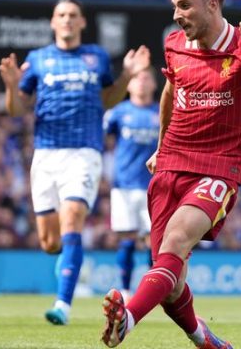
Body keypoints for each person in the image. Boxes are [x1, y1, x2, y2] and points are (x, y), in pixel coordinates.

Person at [101, 0, 241, 348]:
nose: (177, 14)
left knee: (176, 241)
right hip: (170, 165)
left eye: (185, 6)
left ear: (212, 5)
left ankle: (128, 319)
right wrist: (161, 146)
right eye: (174, 6)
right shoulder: (174, 43)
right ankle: (204, 340)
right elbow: (169, 93)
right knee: (170, 282)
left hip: (219, 166)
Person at [0, 0, 150, 326]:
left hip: (84, 151)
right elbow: (16, 109)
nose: (67, 20)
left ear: (82, 22)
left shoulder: (95, 57)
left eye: (73, 15)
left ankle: (63, 304)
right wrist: (11, 85)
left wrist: (126, 76)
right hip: (46, 154)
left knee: (73, 217)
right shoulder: (38, 59)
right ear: (53, 22)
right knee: (50, 242)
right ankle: (67, 261)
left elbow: (108, 99)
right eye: (61, 15)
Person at [103, 67, 159, 304]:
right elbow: (103, 139)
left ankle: (152, 292)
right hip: (124, 185)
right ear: (129, 85)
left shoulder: (161, 112)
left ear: (154, 84)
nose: (142, 83)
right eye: (137, 78)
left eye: (146, 78)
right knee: (126, 238)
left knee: (152, 241)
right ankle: (125, 292)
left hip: (154, 186)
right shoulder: (118, 112)